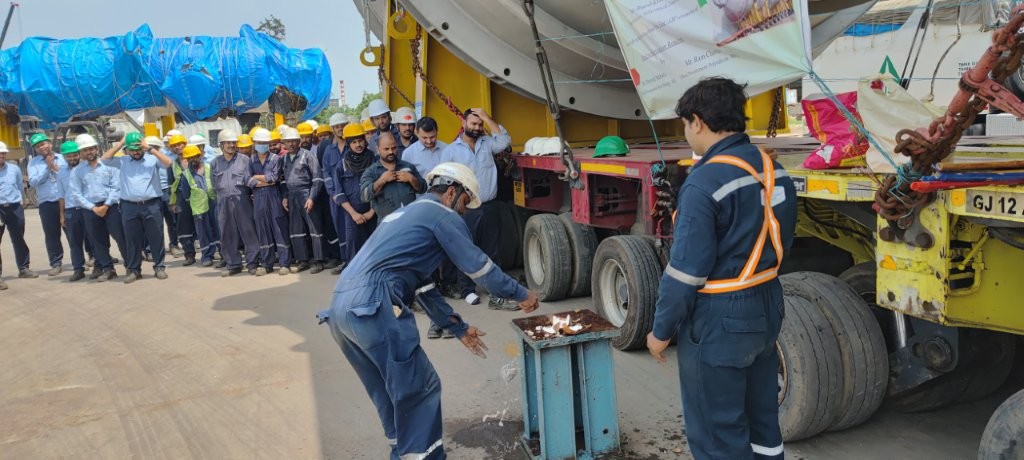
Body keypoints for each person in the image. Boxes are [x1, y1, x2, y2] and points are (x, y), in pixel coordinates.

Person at [317, 162, 539, 460]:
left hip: (341, 310)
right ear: (451, 192)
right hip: (373, 304)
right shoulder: (441, 214)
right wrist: (522, 294)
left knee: (386, 388)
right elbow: (479, 267)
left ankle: (401, 448)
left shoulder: (406, 214)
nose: (464, 211)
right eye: (464, 202)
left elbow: (423, 287)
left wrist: (457, 327)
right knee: (419, 387)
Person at [646, 78, 798, 460]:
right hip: (766, 305)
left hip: (719, 318)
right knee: (763, 422)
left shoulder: (704, 183)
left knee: (718, 433)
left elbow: (685, 273)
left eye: (685, 125)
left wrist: (660, 331)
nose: (687, 133)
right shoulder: (773, 169)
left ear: (697, 121)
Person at [443, 108, 513, 308]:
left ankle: (495, 291)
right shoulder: (451, 151)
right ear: (464, 124)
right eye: (473, 124)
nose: (477, 128)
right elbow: (445, 180)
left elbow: (505, 141)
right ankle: (467, 289)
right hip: (466, 209)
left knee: (492, 250)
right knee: (466, 249)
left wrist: (486, 118)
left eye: (479, 124)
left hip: (489, 205)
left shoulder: (488, 144)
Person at [100, 132, 174, 283]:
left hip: (152, 204)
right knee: (132, 239)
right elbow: (104, 159)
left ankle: (159, 267)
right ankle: (134, 270)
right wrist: (120, 144)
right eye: (132, 150)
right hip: (129, 207)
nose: (136, 152)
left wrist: (150, 149)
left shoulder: (152, 159)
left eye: (138, 149)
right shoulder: (123, 161)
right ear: (127, 150)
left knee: (156, 237)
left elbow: (168, 163)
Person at [68, 133, 125, 282]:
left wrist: (106, 205)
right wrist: (93, 208)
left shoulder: (109, 165)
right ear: (81, 153)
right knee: (98, 241)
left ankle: (132, 267)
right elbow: (76, 193)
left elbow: (116, 187)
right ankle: (108, 269)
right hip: (91, 210)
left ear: (97, 149)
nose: (89, 152)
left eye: (91, 149)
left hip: (110, 206)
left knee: (120, 236)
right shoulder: (77, 171)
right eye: (85, 150)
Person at [210, 130, 262, 277]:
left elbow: (250, 179)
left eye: (233, 142)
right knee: (227, 233)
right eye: (228, 143)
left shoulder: (245, 160)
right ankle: (233, 264)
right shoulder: (215, 163)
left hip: (242, 200)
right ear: (221, 145)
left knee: (249, 231)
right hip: (223, 201)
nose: (231, 145)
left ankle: (252, 263)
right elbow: (214, 185)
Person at [282, 127, 328, 273]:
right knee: (296, 230)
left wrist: (311, 197)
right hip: (292, 195)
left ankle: (319, 260)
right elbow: (283, 180)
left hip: (306, 194)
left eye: (294, 141)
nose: (291, 144)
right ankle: (303, 260)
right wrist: (285, 197)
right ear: (284, 143)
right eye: (288, 142)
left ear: (298, 141)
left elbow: (318, 179)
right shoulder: (284, 159)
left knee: (314, 229)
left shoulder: (308, 155)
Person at [332, 122, 377, 265]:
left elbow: (383, 187)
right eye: (354, 142)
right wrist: (353, 214)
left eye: (360, 140)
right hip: (352, 215)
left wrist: (372, 211)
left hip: (374, 212)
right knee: (354, 249)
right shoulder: (342, 165)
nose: (358, 145)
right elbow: (339, 194)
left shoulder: (375, 160)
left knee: (375, 246)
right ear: (348, 143)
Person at [299, 122, 343, 270]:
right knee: (321, 226)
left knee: (332, 224)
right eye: (302, 137)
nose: (305, 139)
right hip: (313, 194)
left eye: (326, 135)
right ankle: (327, 255)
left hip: (327, 191)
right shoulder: (299, 154)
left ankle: (336, 255)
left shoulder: (321, 148)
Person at [249, 128, 292, 275]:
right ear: (254, 144)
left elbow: (274, 178)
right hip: (259, 200)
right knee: (263, 231)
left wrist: (257, 177)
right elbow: (247, 180)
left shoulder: (276, 159)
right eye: (259, 142)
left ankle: (284, 263)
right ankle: (267, 264)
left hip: (274, 197)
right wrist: (263, 180)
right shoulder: (251, 160)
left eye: (264, 143)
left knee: (279, 229)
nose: (261, 145)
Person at [170, 145, 219, 267]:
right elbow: (186, 194)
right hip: (198, 207)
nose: (193, 160)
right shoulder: (186, 174)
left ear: (200, 155)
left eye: (195, 156)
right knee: (203, 232)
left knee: (218, 229)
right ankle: (207, 255)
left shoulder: (209, 168)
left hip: (213, 203)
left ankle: (222, 253)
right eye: (189, 158)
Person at [27, 133, 68, 276]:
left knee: (74, 232)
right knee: (52, 235)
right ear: (36, 149)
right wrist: (47, 167)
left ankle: (83, 259)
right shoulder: (34, 163)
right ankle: (56, 263)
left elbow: (69, 176)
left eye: (43, 144)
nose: (42, 147)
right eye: (38, 146)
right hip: (47, 204)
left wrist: (55, 167)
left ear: (49, 143)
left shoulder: (63, 158)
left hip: (66, 201)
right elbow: (33, 182)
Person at [361, 132, 424, 221]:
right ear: (378, 150)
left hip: (411, 221)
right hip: (387, 224)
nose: (390, 152)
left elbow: (423, 188)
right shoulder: (371, 172)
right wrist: (382, 180)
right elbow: (364, 196)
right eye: (386, 149)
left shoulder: (408, 167)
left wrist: (411, 178)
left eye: (393, 148)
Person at [321, 122, 357, 275]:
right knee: (341, 229)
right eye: (337, 127)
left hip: (352, 197)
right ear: (333, 130)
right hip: (336, 198)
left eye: (343, 126)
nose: (340, 129)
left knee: (355, 230)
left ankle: (356, 262)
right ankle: (345, 261)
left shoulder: (354, 147)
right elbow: (326, 173)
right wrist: (333, 192)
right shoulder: (329, 151)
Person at [0, 140, 35, 288]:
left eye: (2, 154)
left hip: (14, 207)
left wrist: (23, 201)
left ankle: (23, 268)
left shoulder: (14, 169)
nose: (1, 156)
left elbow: (20, 187)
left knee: (19, 239)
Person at [55, 141, 89, 281]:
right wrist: (62, 215)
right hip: (71, 211)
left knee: (94, 239)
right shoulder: (61, 173)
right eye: (69, 156)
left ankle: (101, 267)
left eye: (74, 155)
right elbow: (61, 196)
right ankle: (78, 269)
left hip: (87, 209)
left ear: (79, 154)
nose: (72, 158)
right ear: (64, 157)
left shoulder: (86, 168)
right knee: (74, 242)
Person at [147, 136, 182, 259]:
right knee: (153, 223)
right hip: (151, 193)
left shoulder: (163, 158)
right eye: (149, 147)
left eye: (155, 147)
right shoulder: (143, 160)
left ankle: (174, 245)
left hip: (166, 190)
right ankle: (150, 249)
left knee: (171, 220)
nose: (151, 150)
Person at [402, 117, 449, 183]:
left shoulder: (447, 149)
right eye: (424, 138)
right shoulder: (408, 154)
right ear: (416, 133)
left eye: (432, 137)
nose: (429, 141)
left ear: (437, 131)